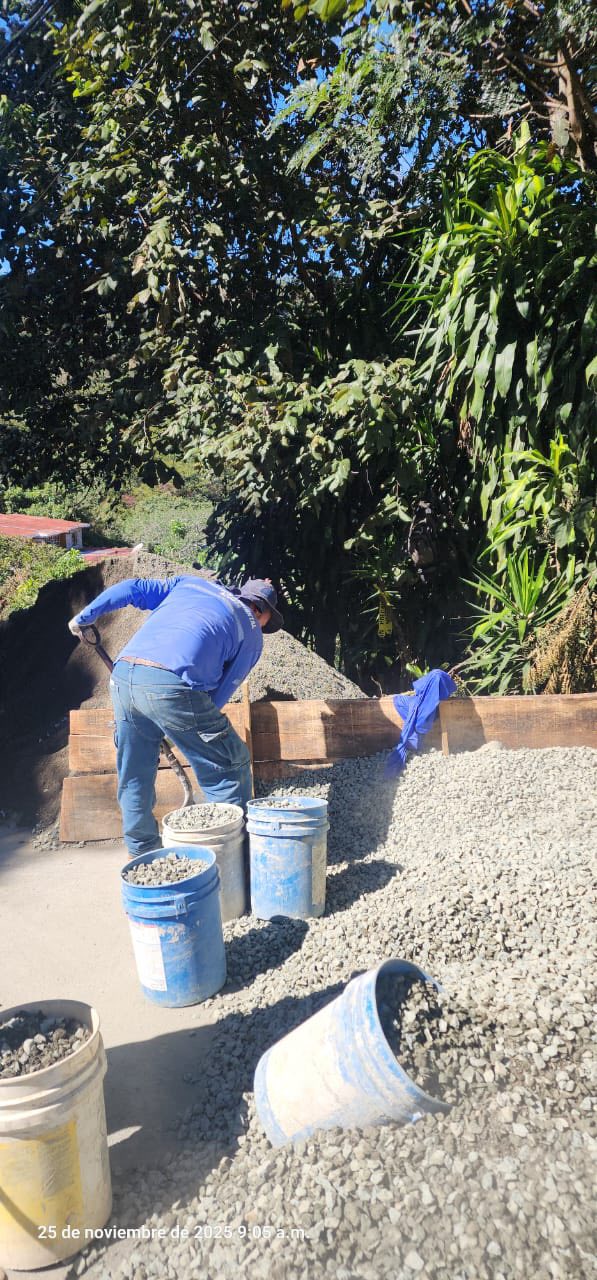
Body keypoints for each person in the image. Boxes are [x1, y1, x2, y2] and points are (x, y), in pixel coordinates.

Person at [68, 576, 283, 857]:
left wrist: (85, 617)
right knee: (228, 765)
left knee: (135, 770)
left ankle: (143, 853)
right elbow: (220, 694)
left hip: (124, 676)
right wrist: (181, 724)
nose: (264, 626)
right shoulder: (251, 630)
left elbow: (132, 588)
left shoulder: (190, 584)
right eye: (267, 621)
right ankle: (232, 858)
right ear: (259, 610)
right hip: (171, 685)